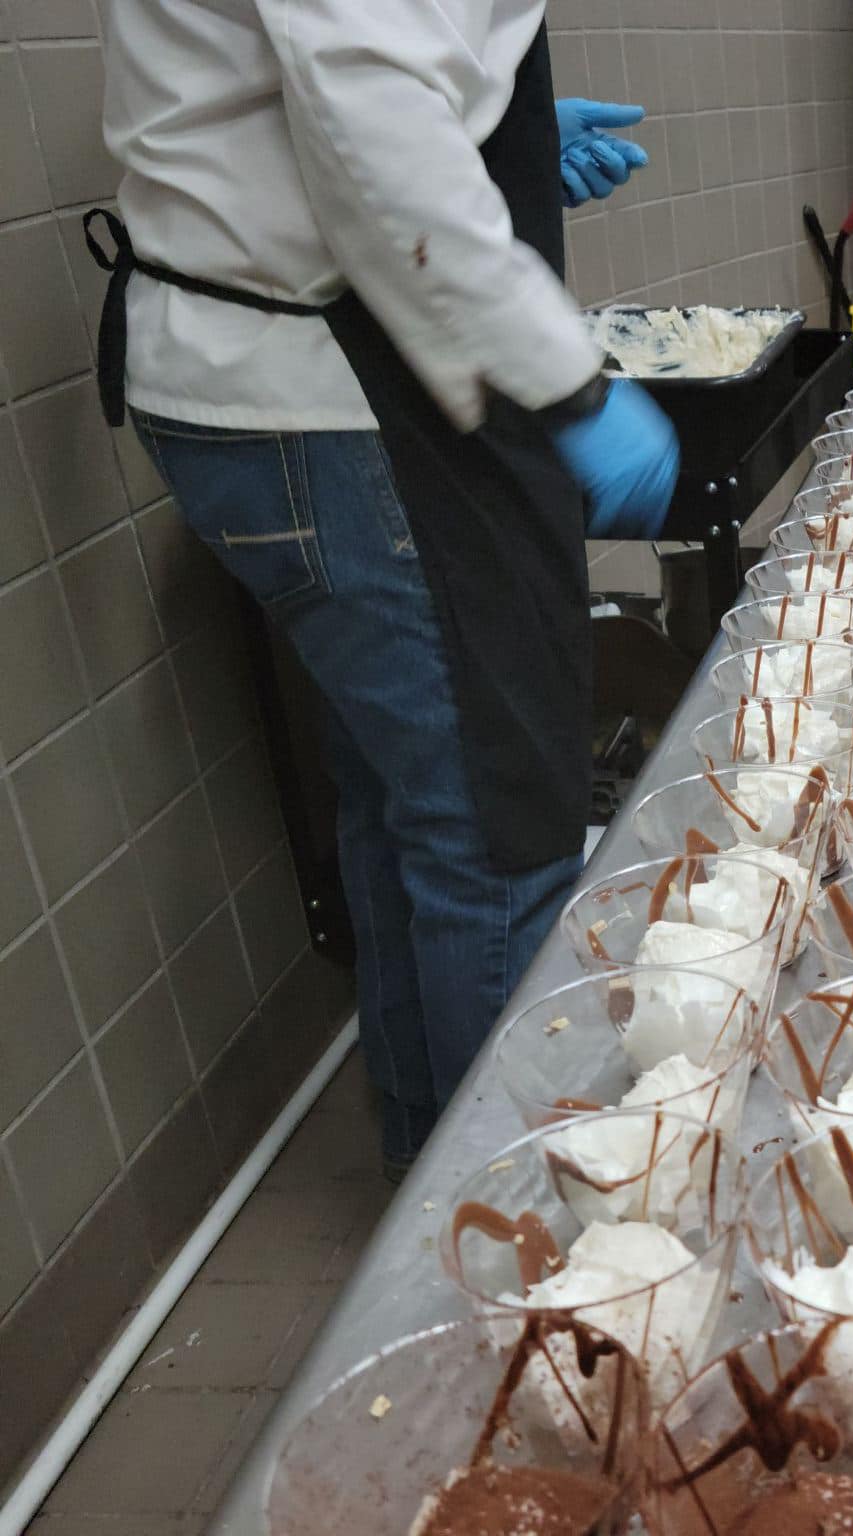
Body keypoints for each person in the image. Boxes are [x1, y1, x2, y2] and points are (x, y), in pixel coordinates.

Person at [96, 2, 681, 1179]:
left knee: (403, 803)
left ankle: (427, 1174)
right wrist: (567, 386)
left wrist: (486, 129)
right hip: (327, 387)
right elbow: (370, 119)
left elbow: (359, 71)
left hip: (280, 370)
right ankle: (506, 1234)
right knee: (493, 834)